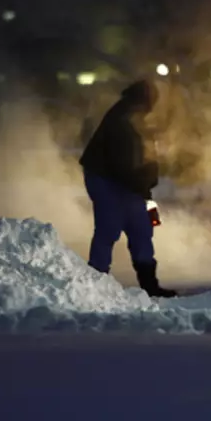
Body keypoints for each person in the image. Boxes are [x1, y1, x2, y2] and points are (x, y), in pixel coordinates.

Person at [79, 79, 177, 297]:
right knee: (108, 228)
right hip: (106, 180)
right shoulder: (122, 121)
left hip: (128, 183)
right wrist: (142, 187)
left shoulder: (136, 120)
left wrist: (147, 184)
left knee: (141, 228)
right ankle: (96, 282)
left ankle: (150, 284)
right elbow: (124, 164)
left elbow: (144, 157)